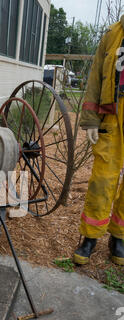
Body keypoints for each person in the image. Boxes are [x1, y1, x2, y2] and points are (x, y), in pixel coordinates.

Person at [74, 16, 124, 266]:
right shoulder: (111, 35)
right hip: (111, 118)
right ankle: (90, 236)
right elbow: (95, 77)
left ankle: (119, 236)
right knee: (102, 180)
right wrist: (91, 120)